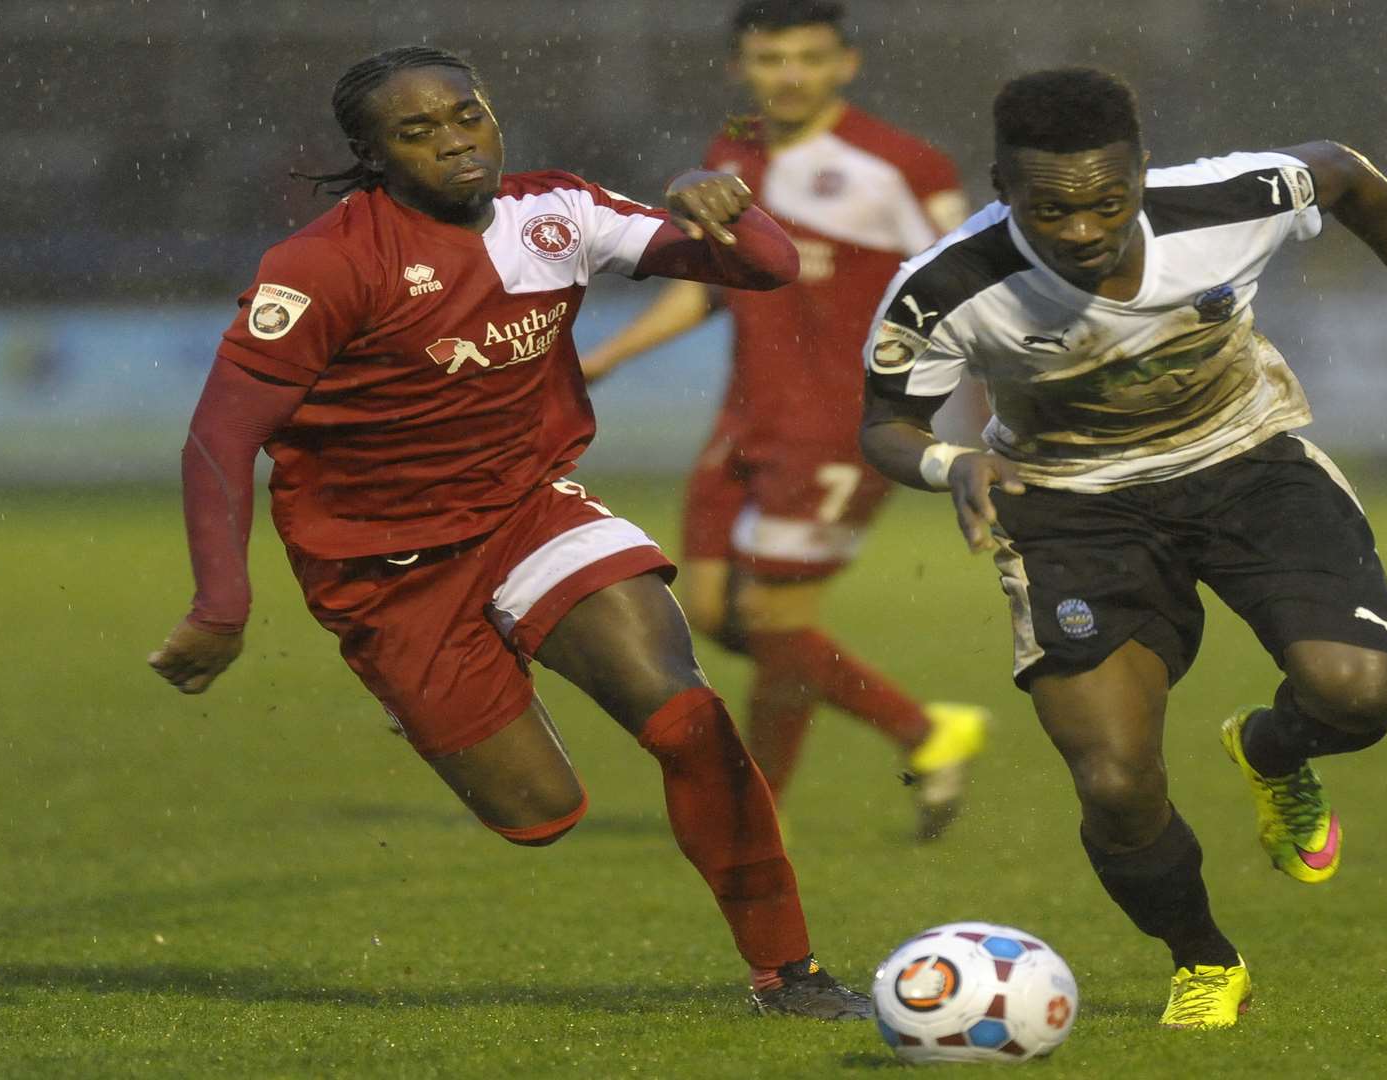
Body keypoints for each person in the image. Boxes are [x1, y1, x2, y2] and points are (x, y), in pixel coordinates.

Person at [143, 45, 873, 1020]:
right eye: (418, 132)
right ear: (373, 153)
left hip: (527, 508)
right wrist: (221, 604)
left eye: (465, 115)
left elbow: (768, 269)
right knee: (541, 816)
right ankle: (428, 684)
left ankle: (791, 977)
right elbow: (221, 436)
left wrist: (725, 203)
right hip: (385, 568)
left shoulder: (556, 211)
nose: (455, 143)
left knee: (687, 718)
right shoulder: (325, 264)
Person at [857, 68, 1387, 1029]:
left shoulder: (1225, 202)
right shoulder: (945, 287)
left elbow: (1349, 174)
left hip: (1248, 469)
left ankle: (1271, 750)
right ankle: (1204, 960)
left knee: (1357, 699)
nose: (1082, 230)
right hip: (1070, 511)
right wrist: (949, 461)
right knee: (1114, 782)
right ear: (1002, 188)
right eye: (1051, 209)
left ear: (1142, 174)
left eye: (1107, 203)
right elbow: (882, 425)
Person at [580, 0, 986, 840]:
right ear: (742, 68)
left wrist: (975, 434)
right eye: (772, 60)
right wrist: (597, 363)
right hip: (745, 419)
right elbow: (705, 290)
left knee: (774, 624)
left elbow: (975, 290)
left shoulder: (902, 166)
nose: (790, 76)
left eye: (809, 57)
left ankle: (754, 810)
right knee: (716, 614)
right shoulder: (731, 156)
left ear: (848, 63)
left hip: (843, 428)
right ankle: (924, 732)